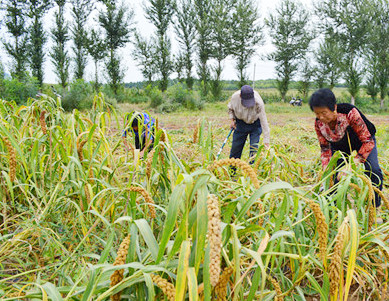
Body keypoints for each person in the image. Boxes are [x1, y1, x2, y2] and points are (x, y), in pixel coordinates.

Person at [309, 88, 383, 206]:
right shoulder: (319, 124)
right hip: (340, 147)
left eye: (324, 113)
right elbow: (325, 149)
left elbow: (368, 141)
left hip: (363, 143)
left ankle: (375, 207)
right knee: (334, 175)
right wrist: (326, 173)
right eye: (317, 113)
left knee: (373, 170)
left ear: (334, 107)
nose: (321, 117)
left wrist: (352, 164)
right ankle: (333, 208)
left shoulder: (349, 113)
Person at [228, 85, 270, 164]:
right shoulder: (235, 98)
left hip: (255, 124)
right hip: (240, 124)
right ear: (241, 96)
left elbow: (264, 121)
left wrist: (266, 141)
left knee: (254, 151)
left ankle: (252, 172)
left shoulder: (258, 103)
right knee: (235, 149)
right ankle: (231, 172)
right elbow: (230, 109)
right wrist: (232, 120)